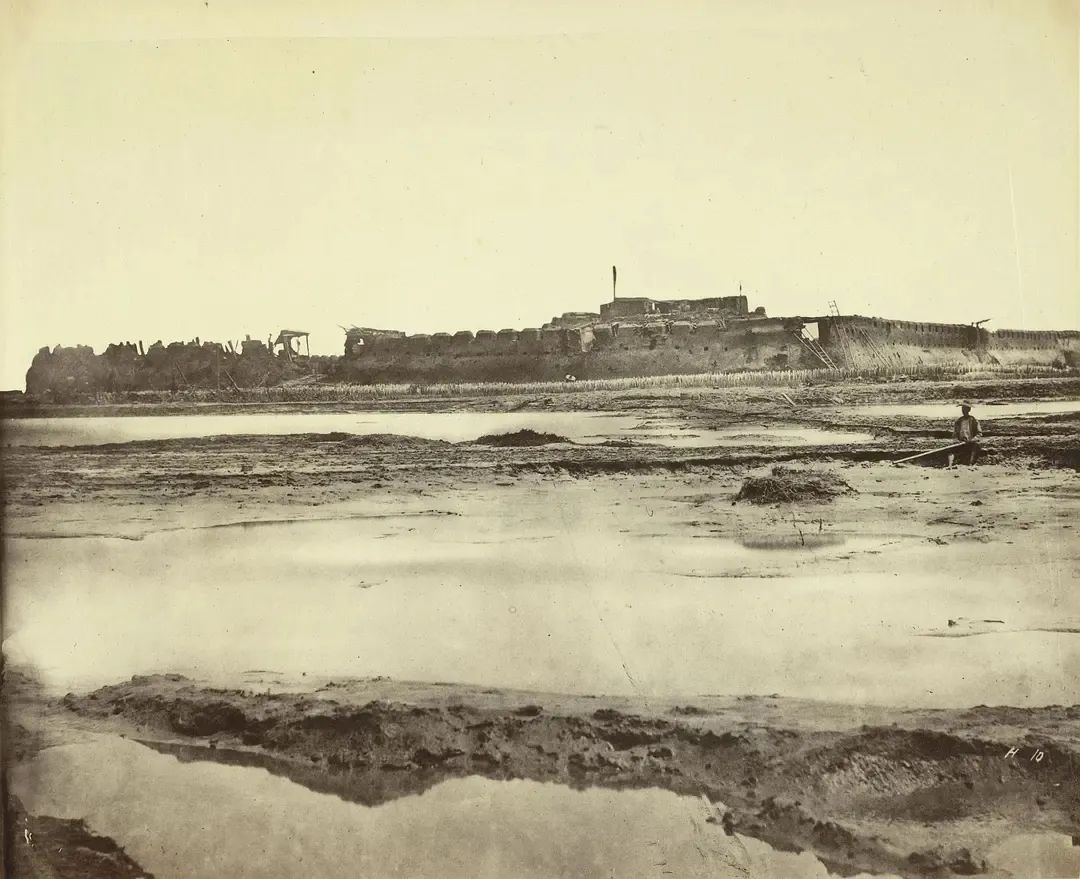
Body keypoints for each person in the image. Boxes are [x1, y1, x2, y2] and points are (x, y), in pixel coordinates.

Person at [947, 402, 981, 467]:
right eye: (962, 409)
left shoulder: (973, 420)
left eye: (965, 409)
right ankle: (950, 465)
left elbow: (979, 433)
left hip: (970, 443)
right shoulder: (959, 421)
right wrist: (957, 440)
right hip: (960, 443)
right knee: (950, 449)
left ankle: (970, 464)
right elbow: (955, 434)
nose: (963, 410)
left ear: (969, 410)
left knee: (976, 447)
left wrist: (972, 440)